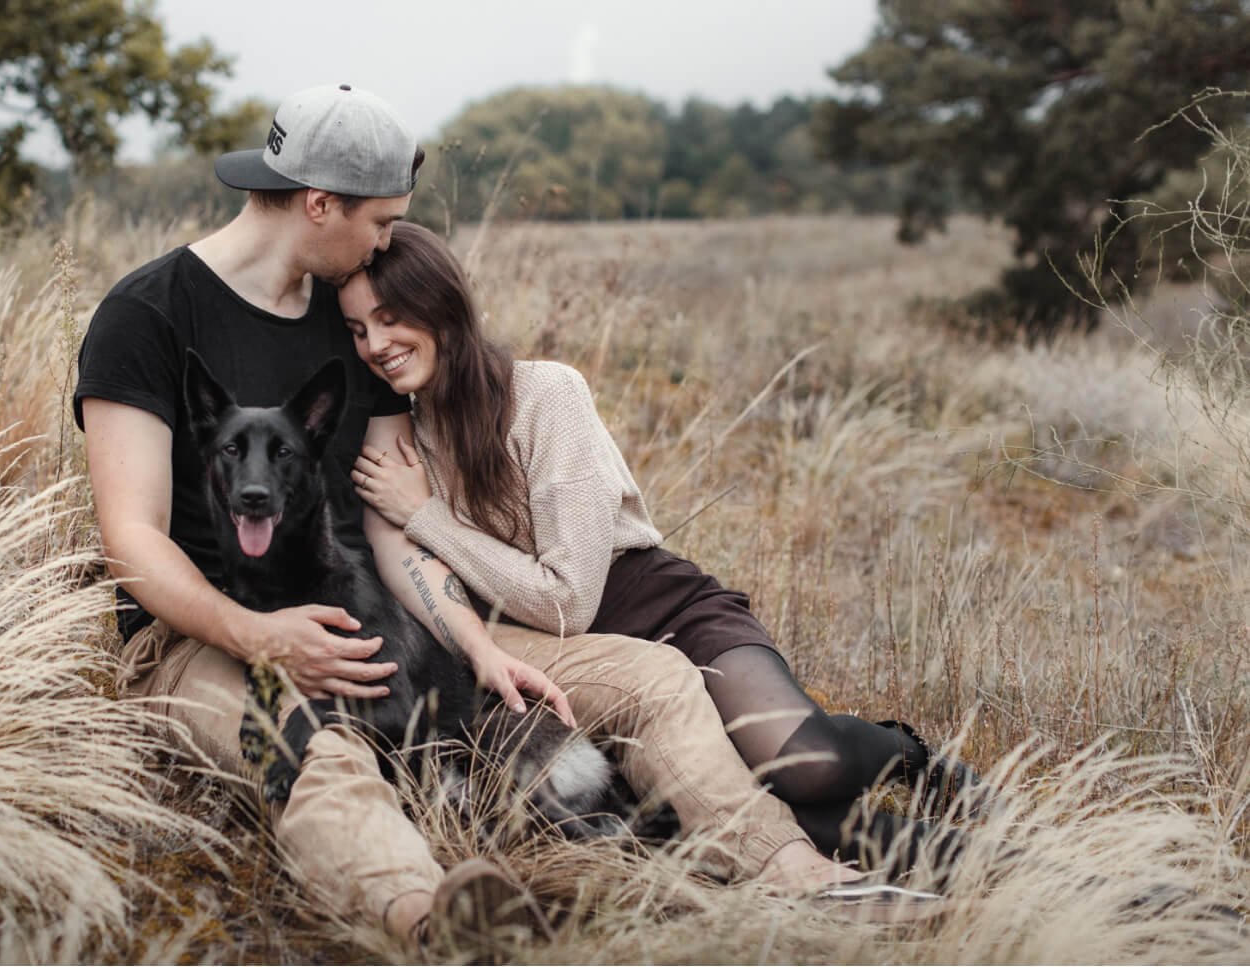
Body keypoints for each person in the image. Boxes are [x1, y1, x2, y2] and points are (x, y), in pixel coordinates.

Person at [76, 85, 931, 950]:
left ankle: (800, 877)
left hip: (380, 619)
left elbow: (386, 520)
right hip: (203, 639)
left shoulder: (349, 325)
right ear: (319, 203)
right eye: (380, 222)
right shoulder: (147, 315)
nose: (386, 242)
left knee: (651, 678)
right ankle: (434, 918)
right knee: (315, 747)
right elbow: (132, 538)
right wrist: (257, 637)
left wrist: (477, 646)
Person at [345, 221, 990, 873]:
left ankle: (904, 752)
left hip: (656, 607)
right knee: (766, 807)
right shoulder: (400, 439)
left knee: (807, 764)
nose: (376, 344)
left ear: (440, 303)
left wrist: (428, 516)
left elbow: (568, 599)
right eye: (357, 330)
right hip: (576, 661)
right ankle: (966, 867)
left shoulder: (545, 394)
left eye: (390, 317)